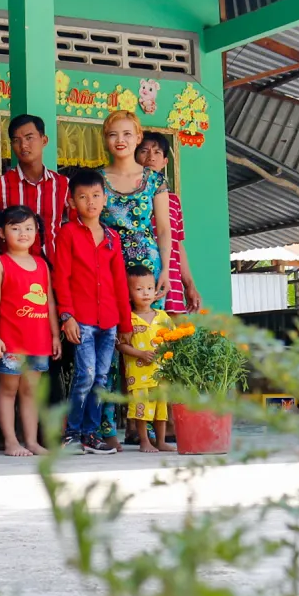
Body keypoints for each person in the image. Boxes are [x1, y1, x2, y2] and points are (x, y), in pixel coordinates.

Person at [53, 169, 132, 455]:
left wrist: (125, 323)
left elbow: (120, 283)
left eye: (96, 195)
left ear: (105, 198)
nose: (91, 202)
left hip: (109, 320)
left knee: (101, 379)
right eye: (83, 197)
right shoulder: (68, 234)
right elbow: (61, 277)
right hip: (82, 319)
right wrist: (67, 316)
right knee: (85, 375)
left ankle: (90, 434)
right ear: (72, 202)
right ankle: (72, 433)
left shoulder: (112, 237)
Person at [0, 206, 59, 457]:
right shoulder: (0, 263)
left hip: (38, 340)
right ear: (1, 232)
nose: (23, 233)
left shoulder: (41, 264)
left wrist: (54, 334)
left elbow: (49, 301)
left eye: (29, 228)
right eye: (15, 228)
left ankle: (31, 441)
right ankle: (10, 441)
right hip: (11, 341)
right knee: (8, 391)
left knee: (30, 392)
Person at [100, 111, 172, 303]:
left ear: (138, 137)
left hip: (149, 268)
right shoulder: (96, 181)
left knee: (150, 328)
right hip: (108, 266)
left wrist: (165, 269)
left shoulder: (155, 180)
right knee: (112, 330)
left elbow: (164, 229)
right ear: (106, 139)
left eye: (127, 134)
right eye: (113, 134)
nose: (120, 140)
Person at [0, 114, 69, 260]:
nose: (23, 145)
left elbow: (78, 228)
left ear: (44, 140)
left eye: (29, 138)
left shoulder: (62, 184)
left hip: (54, 270)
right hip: (13, 273)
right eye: (16, 141)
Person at [137, 132, 200, 315]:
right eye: (144, 151)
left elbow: (177, 244)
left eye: (157, 152)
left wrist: (189, 285)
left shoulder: (173, 201)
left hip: (170, 281)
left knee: (173, 339)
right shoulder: (127, 197)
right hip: (139, 281)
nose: (150, 157)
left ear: (165, 161)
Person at [118, 266, 175, 453]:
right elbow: (120, 345)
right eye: (139, 289)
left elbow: (173, 340)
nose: (146, 293)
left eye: (150, 288)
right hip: (138, 373)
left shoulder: (163, 317)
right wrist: (140, 354)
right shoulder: (128, 320)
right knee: (141, 410)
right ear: (129, 292)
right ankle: (144, 441)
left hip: (160, 374)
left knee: (161, 410)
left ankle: (160, 441)